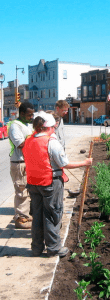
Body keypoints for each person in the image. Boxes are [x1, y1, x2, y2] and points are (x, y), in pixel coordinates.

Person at [22, 112, 93, 257]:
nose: (55, 129)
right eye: (53, 127)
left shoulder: (29, 140)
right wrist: (84, 162)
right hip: (49, 182)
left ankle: (36, 248)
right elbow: (64, 163)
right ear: (48, 127)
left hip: (33, 183)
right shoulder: (50, 142)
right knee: (52, 214)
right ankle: (54, 248)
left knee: (37, 215)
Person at [8, 102, 35, 229]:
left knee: (26, 191)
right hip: (19, 163)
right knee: (21, 191)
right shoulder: (15, 126)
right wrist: (35, 139)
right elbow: (20, 144)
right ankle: (20, 219)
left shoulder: (26, 125)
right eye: (29, 115)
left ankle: (25, 215)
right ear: (22, 113)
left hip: (26, 162)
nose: (32, 117)